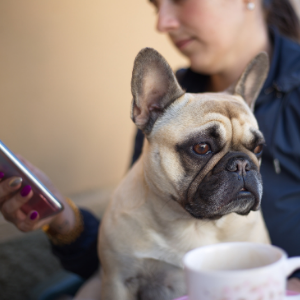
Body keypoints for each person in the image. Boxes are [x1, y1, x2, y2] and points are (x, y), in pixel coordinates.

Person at [0, 0, 300, 294]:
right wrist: (65, 219)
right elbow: (122, 264)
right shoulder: (168, 113)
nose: (163, 22)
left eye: (179, 1)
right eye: (202, 149)